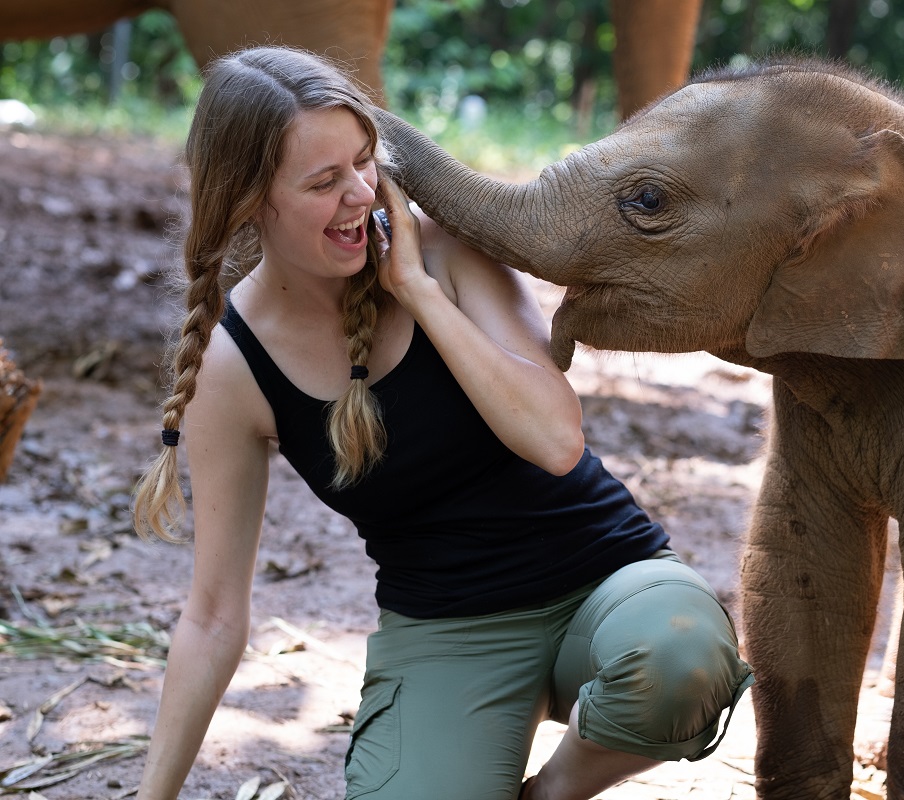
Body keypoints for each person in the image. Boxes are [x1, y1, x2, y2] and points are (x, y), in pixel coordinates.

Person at [131, 45, 753, 800]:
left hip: (606, 584)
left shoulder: (449, 252)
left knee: (681, 663)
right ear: (250, 202)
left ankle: (551, 794)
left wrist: (420, 292)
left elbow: (556, 441)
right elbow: (213, 615)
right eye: (325, 182)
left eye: (365, 163)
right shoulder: (234, 369)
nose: (360, 193)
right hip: (449, 631)